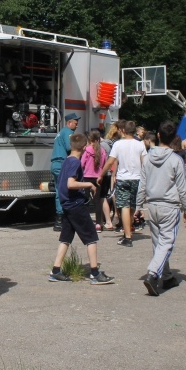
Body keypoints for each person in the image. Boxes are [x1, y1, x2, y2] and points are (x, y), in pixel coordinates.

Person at [49, 134, 116, 285]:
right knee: (91, 237)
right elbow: (70, 184)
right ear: (85, 147)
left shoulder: (67, 160)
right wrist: (89, 185)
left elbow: (62, 184)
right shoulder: (75, 163)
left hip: (67, 205)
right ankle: (95, 274)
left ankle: (55, 271)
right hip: (75, 206)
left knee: (65, 238)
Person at [137, 120, 186, 296]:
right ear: (175, 137)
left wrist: (138, 205)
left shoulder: (146, 158)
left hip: (151, 205)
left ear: (158, 135)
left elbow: (142, 183)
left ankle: (167, 277)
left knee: (158, 242)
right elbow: (183, 187)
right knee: (166, 242)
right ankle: (153, 274)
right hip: (169, 206)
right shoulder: (176, 160)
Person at [98, 121, 145, 248]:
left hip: (123, 178)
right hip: (137, 179)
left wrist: (101, 174)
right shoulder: (140, 144)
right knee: (132, 206)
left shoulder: (118, 144)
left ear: (123, 131)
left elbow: (110, 162)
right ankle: (127, 231)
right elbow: (145, 162)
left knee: (124, 206)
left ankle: (127, 237)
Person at [50, 113, 80, 231]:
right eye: (75, 124)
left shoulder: (61, 132)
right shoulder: (68, 132)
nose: (77, 126)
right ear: (69, 123)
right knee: (64, 191)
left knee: (59, 190)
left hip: (56, 164)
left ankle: (59, 219)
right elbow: (70, 148)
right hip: (62, 164)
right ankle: (61, 219)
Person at [81, 130, 112, 231]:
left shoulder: (87, 150)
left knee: (86, 200)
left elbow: (82, 163)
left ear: (90, 140)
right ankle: (99, 224)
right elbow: (104, 164)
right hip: (98, 178)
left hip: (87, 177)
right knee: (98, 201)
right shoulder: (102, 151)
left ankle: (85, 222)